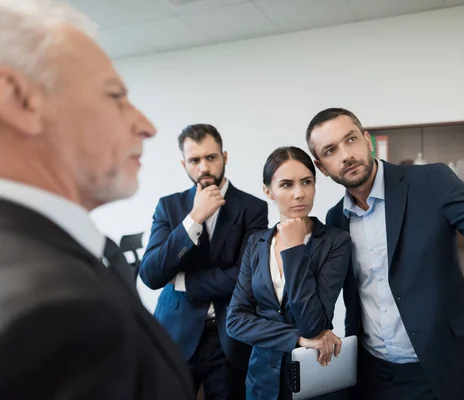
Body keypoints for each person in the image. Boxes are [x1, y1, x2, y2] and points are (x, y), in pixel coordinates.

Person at [0, 0, 194, 399]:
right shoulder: (50, 313)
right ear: (19, 99)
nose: (147, 125)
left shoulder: (76, 254)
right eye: (115, 96)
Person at [305, 108, 464, 400]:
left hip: (451, 362)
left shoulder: (430, 180)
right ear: (321, 167)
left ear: (367, 140)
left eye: (350, 140)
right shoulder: (336, 219)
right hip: (378, 375)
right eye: (331, 150)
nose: (345, 155)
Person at [139, 124, 269, 399]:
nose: (204, 167)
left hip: (229, 336)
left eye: (211, 157)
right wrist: (193, 219)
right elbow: (151, 275)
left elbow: (247, 277)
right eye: (195, 160)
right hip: (175, 332)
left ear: (225, 157)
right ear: (183, 163)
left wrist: (186, 282)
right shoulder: (169, 207)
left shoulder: (253, 209)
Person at [226, 146, 352, 400]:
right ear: (268, 191)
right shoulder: (256, 243)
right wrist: (297, 339)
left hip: (313, 376)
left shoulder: (335, 241)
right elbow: (235, 321)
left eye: (306, 182)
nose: (299, 193)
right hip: (262, 381)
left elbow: (313, 324)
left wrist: (294, 249)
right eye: (286, 185)